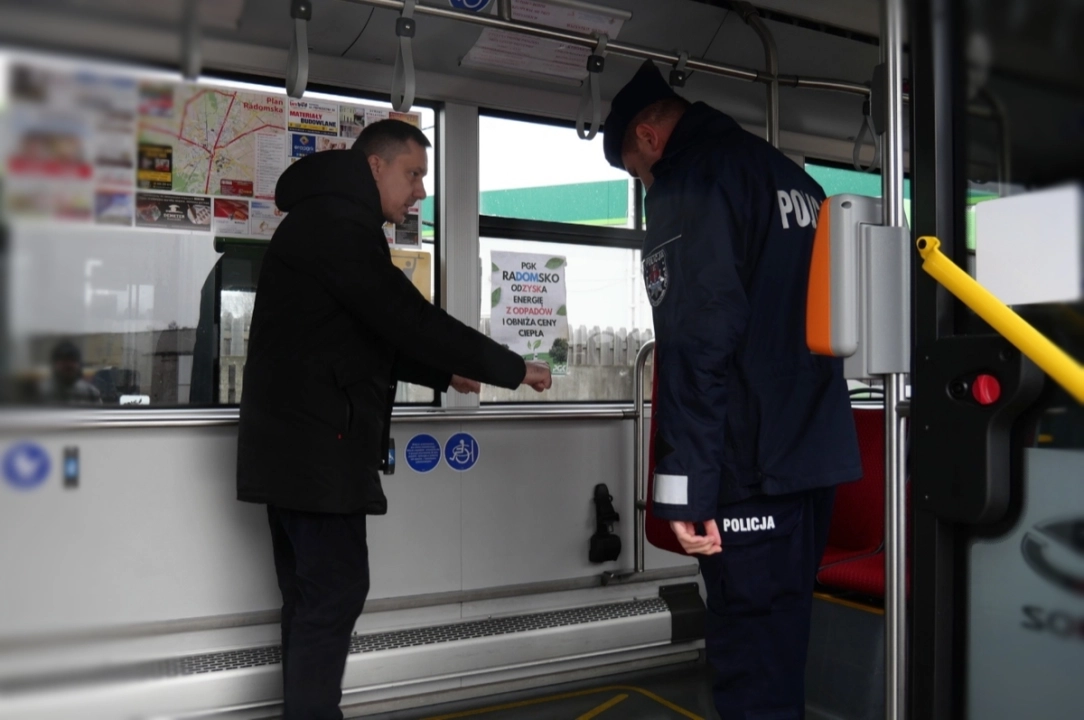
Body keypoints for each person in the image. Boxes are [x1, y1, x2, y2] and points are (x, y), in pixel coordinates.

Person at [236, 119, 552, 719]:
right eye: (413, 175)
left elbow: (362, 336)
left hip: (295, 449)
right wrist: (513, 367)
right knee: (331, 595)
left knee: (311, 599)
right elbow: (408, 318)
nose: (420, 193)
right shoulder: (338, 225)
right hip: (315, 452)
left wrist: (444, 373)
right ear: (374, 167)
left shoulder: (324, 220)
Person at [602, 60, 861, 719]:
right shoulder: (796, 180)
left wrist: (682, 489)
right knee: (781, 647)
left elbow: (696, 341)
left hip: (751, 468)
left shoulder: (691, 183)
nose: (646, 184)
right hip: (813, 458)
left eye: (638, 172)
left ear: (649, 137)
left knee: (749, 659)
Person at [39, 340, 102, 405]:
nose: (68, 365)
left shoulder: (91, 393)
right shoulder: (42, 392)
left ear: (79, 364)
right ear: (55, 364)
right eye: (64, 360)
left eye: (72, 360)